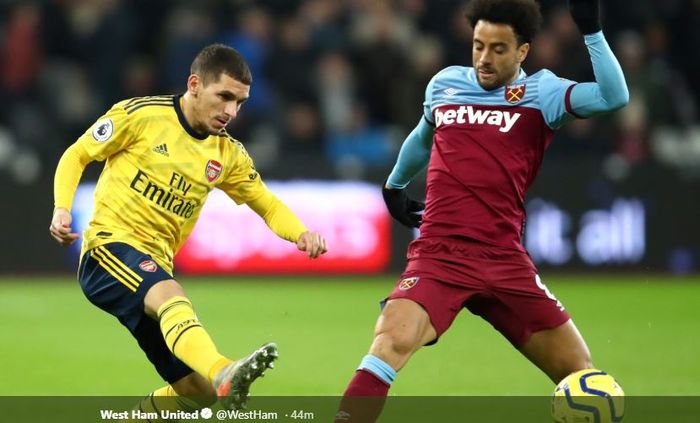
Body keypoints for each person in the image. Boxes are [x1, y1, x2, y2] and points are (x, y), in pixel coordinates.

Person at [336, 0, 628, 421]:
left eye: (497, 49)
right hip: (440, 256)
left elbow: (614, 97)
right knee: (388, 343)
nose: (483, 59)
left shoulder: (544, 94)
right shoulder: (445, 85)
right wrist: (395, 184)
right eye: (477, 46)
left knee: (583, 377)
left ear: (522, 52)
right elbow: (423, 136)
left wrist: (591, 32)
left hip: (505, 260)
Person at [49, 43, 328, 415]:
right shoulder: (142, 116)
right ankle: (224, 371)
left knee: (195, 393)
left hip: (154, 267)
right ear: (194, 84)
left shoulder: (226, 153)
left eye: (240, 102)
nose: (231, 111)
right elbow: (77, 154)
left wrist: (301, 233)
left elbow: (266, 202)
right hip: (108, 251)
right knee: (171, 295)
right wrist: (61, 208)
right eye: (224, 97)